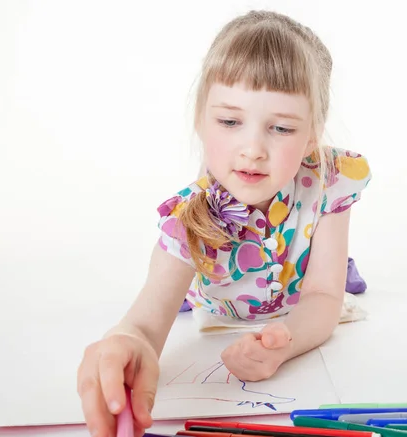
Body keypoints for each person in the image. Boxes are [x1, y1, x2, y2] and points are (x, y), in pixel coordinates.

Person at [77, 9, 372, 437]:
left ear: (313, 134)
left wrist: (284, 342)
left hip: (299, 285)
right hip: (215, 298)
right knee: (173, 284)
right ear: (201, 120)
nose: (252, 149)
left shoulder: (328, 182)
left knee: (332, 273)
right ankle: (192, 285)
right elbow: (143, 322)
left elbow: (325, 297)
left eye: (282, 128)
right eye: (230, 121)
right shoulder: (187, 219)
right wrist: (131, 342)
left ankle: (336, 259)